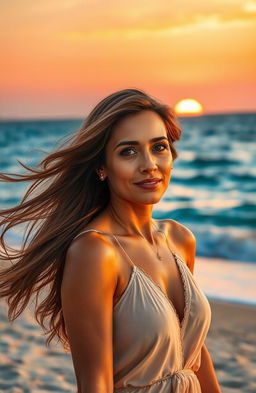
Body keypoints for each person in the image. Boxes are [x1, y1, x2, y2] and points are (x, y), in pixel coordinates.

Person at [0, 88, 221, 393]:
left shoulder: (180, 239)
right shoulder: (94, 252)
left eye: (159, 147)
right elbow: (94, 384)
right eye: (128, 151)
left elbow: (195, 353)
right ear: (102, 167)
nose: (149, 164)